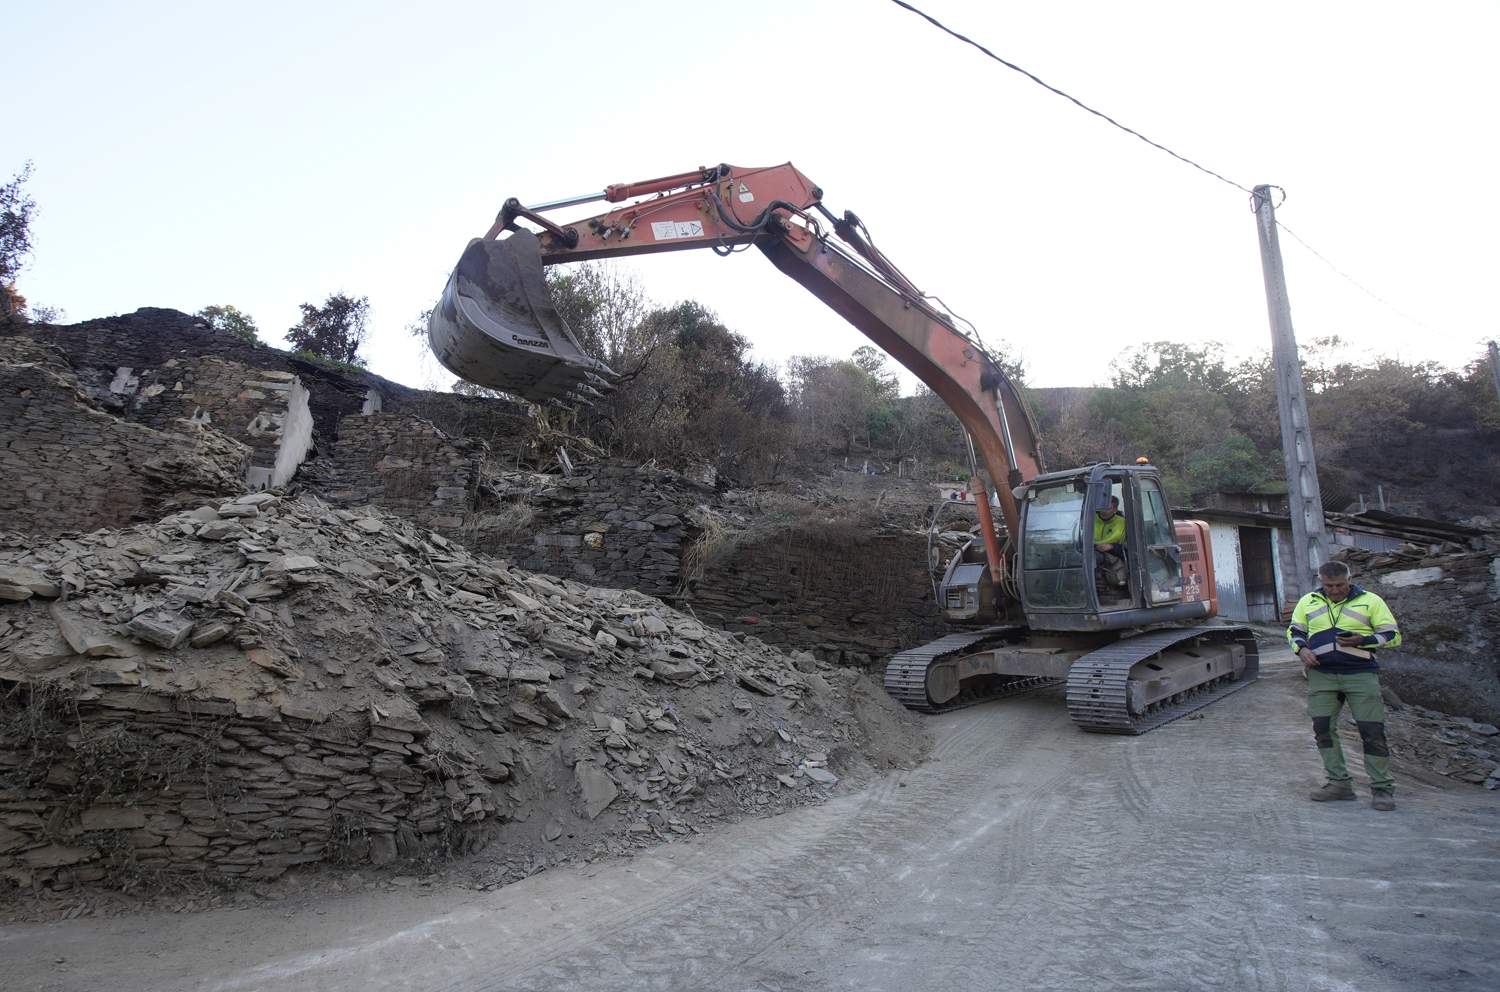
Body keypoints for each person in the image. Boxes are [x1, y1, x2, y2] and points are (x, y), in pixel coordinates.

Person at [1287, 560, 1403, 811]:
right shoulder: (1308, 601)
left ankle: (1382, 789)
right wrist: (1302, 649)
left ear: (1349, 580)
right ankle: (1339, 784)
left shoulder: (1371, 601)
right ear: (1321, 582)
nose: (1335, 590)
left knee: (1371, 731)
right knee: (1323, 728)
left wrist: (1365, 640)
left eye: (1340, 585)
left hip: (1360, 674)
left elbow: (1393, 635)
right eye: (1329, 585)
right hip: (1322, 674)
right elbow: (1295, 630)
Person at [1093, 495, 1127, 590]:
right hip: (1090, 551)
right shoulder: (1089, 519)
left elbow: (1130, 547)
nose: (1104, 509)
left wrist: (1112, 547)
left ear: (1115, 509)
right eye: (1102, 505)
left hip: (1113, 555)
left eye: (1108, 506)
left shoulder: (1124, 523)